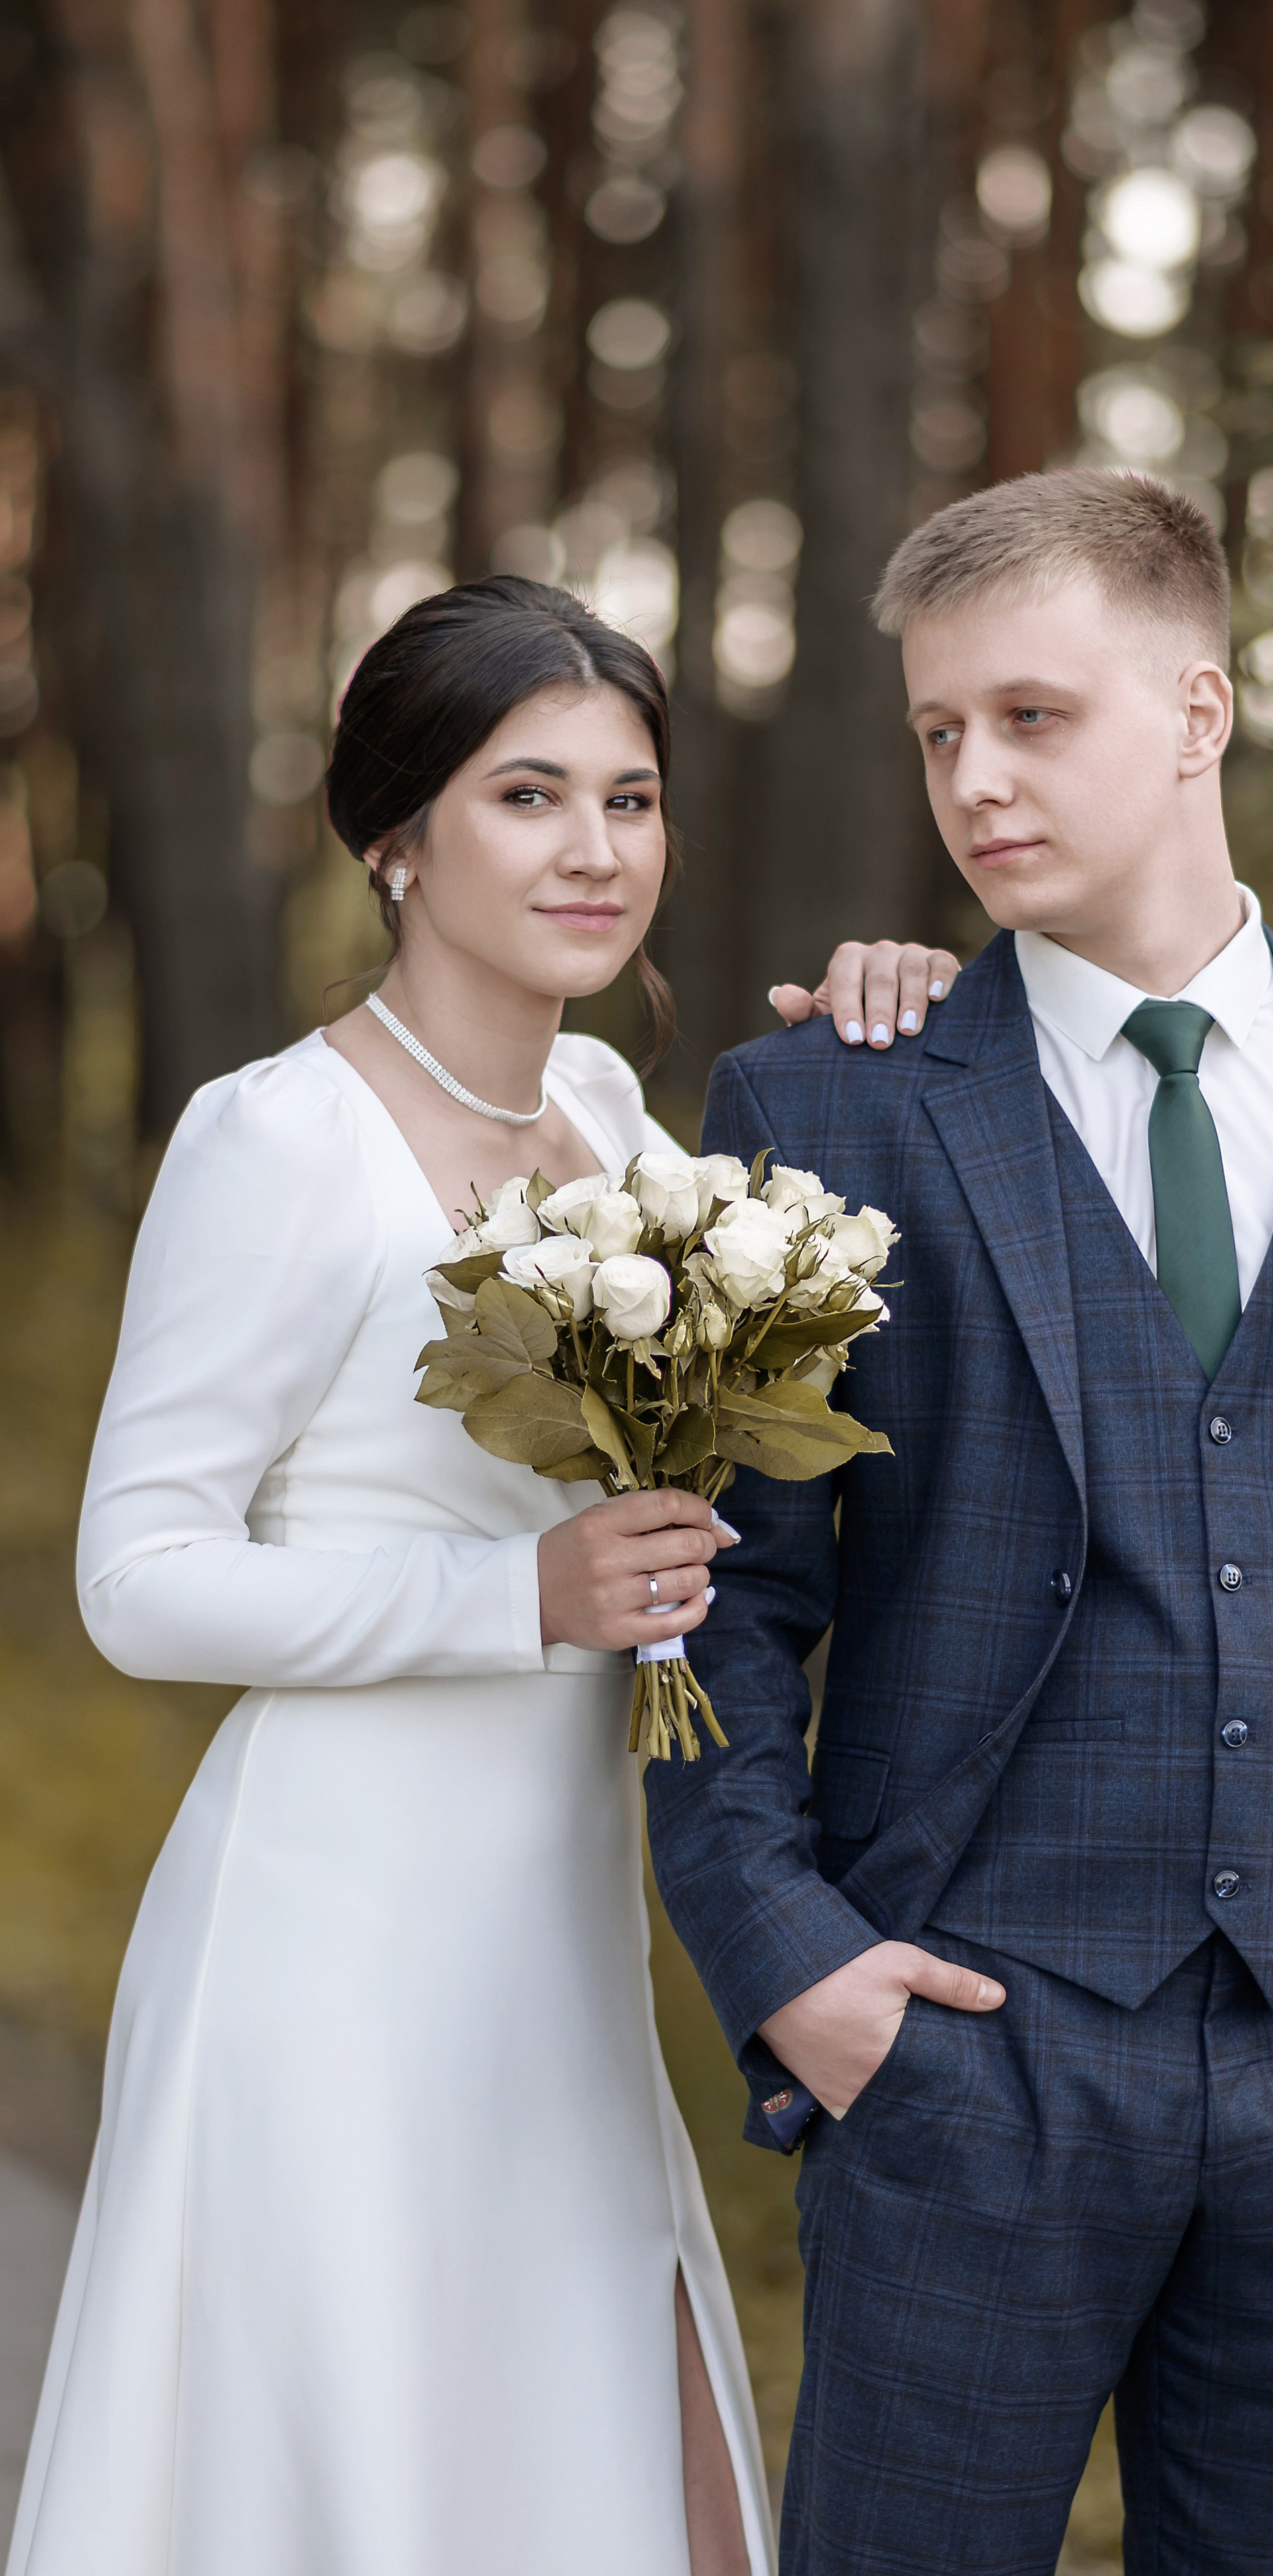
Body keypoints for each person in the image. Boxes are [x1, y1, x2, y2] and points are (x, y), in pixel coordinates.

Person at [645, 472, 1273, 2576]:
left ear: (1199, 712)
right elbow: (720, 1601)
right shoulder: (833, 1101)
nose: (975, 782)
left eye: (1033, 717)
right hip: (957, 2063)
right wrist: (797, 1968)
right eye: (939, 735)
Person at [5, 575, 949, 2576]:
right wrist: (507, 1604)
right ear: (398, 839)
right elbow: (138, 1577)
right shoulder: (276, 1139)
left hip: (561, 1930)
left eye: (632, 797)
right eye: (528, 797)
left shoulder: (610, 1116)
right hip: (331, 1936)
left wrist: (897, 1029)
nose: (595, 851)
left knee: (644, 2487)